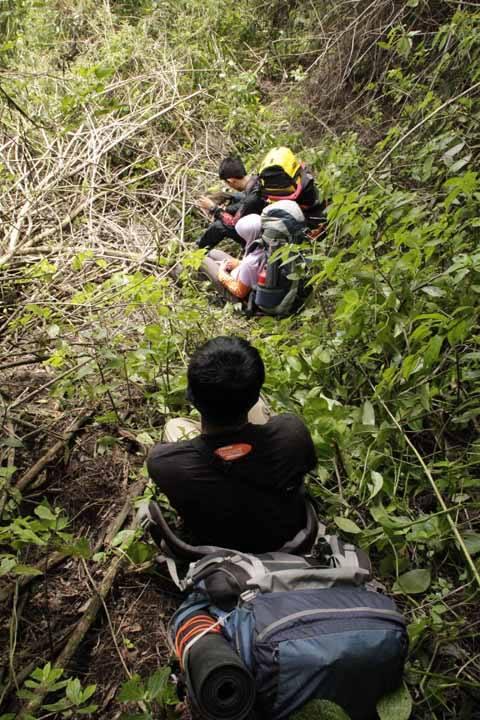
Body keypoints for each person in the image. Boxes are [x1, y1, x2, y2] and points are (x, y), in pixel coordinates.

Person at [147, 336, 317, 553]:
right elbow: (306, 465)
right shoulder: (292, 432)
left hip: (221, 550)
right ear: (256, 395)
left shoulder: (163, 462)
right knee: (257, 416)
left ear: (191, 396)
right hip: (287, 541)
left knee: (175, 425)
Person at [196, 157, 266, 250]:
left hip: (260, 235)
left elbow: (233, 223)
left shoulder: (253, 197)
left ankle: (199, 249)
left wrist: (213, 208)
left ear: (231, 180)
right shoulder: (256, 181)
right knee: (235, 198)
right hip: (257, 216)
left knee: (219, 226)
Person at [200, 214, 263, 303]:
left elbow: (240, 292)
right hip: (247, 276)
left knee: (203, 261)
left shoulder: (250, 262)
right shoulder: (266, 246)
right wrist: (238, 264)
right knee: (213, 253)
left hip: (243, 297)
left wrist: (222, 273)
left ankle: (205, 287)